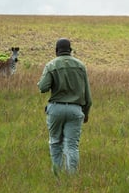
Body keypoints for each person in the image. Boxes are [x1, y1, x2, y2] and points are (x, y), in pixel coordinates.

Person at [37, 38, 92, 175]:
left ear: (56, 51)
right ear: (71, 50)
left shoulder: (51, 65)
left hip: (56, 108)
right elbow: (88, 96)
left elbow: (43, 87)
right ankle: (71, 177)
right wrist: (86, 113)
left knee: (55, 142)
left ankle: (57, 174)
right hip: (75, 109)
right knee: (72, 145)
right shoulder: (80, 66)